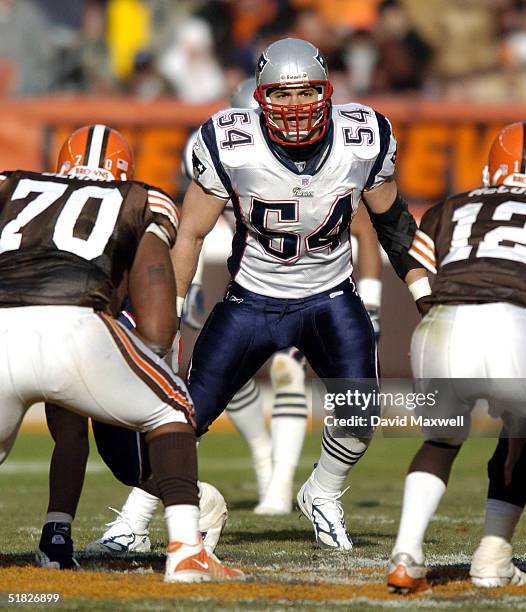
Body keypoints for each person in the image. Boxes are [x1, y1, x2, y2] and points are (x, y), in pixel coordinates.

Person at [173, 37, 430, 550]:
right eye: (282, 96)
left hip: (328, 296)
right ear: (260, 98)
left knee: (362, 408)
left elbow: (393, 225)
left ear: (328, 91)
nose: (295, 107)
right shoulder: (230, 142)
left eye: (307, 93)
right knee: (183, 417)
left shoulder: (363, 136)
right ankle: (134, 520)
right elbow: (190, 234)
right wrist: (173, 312)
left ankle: (324, 492)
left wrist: (427, 294)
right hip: (252, 298)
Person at [0, 124, 242, 583]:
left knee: (67, 427)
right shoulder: (139, 200)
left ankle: (57, 538)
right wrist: (154, 356)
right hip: (76, 325)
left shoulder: (10, 184)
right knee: (173, 405)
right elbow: (155, 317)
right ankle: (187, 552)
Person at [386, 120, 526, 598]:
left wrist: (435, 309)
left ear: (492, 168)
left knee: (441, 441)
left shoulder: (452, 206)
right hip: (511, 325)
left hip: (439, 328)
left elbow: (418, 269)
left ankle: (405, 555)